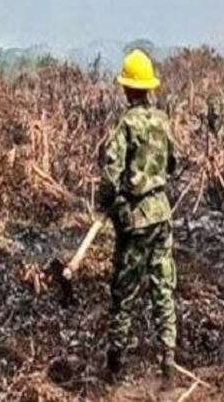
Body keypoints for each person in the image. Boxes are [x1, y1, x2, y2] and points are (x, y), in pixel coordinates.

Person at [98, 49, 178, 385]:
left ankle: (115, 371)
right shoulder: (163, 121)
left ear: (128, 89)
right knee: (163, 289)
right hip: (162, 216)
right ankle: (169, 367)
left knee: (123, 294)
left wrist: (111, 205)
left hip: (136, 221)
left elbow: (109, 176)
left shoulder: (126, 125)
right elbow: (172, 164)